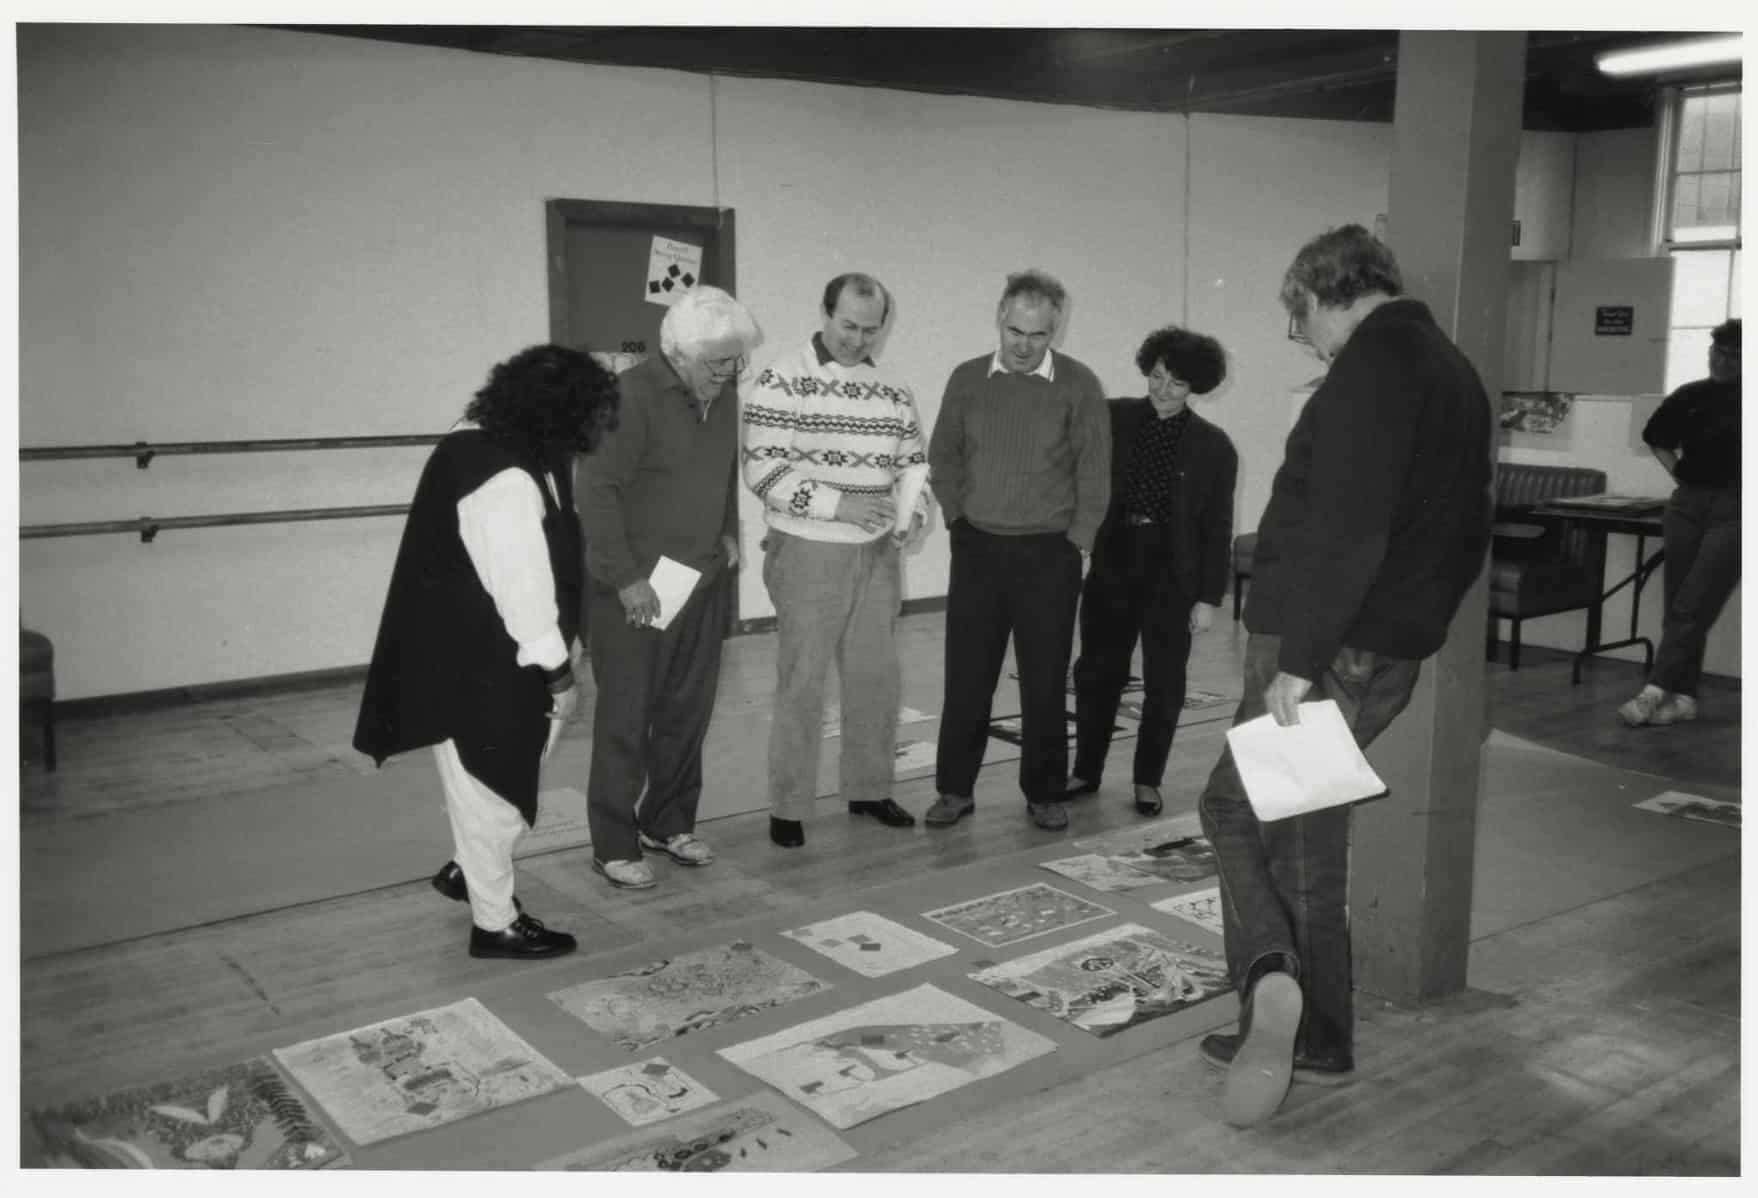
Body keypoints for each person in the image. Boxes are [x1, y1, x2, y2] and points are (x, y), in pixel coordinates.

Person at [1193, 225, 1491, 1127]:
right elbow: (1465, 529)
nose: (1304, 341)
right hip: (1390, 641)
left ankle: (1272, 979)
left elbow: (1344, 527)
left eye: (1299, 322)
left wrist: (1301, 660)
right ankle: (1318, 1035)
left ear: (1320, 296)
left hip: (1331, 646)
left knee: (1230, 811)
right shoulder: (1450, 366)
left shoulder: (1372, 366)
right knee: (1304, 836)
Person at [353, 344, 620, 959]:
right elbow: (521, 589)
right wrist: (559, 675)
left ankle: (467, 869)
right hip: (479, 661)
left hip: (484, 649)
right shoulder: (499, 474)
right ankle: (493, 921)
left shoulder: (495, 437)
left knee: (506, 771)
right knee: (493, 788)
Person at [577, 285, 763, 890]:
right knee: (627, 715)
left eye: (737, 360)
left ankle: (668, 820)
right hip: (634, 590)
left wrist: (729, 531)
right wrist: (627, 579)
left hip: (700, 581)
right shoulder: (629, 398)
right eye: (719, 362)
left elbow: (724, 473)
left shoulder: (722, 396)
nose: (731, 372)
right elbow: (596, 491)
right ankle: (612, 842)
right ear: (677, 355)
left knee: (688, 709)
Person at [741, 273, 931, 849]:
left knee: (875, 680)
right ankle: (789, 805)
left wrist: (913, 513)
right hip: (807, 551)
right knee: (803, 682)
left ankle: (869, 789)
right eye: (848, 326)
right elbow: (764, 471)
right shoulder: (782, 377)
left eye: (871, 330)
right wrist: (840, 505)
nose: (858, 340)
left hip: (875, 555)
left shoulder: (893, 388)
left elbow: (912, 465)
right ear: (825, 313)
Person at [927, 269, 1111, 832]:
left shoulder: (1079, 384)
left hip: (1048, 555)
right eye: (1014, 331)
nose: (1023, 346)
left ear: (1055, 330)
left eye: (1037, 335)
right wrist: (959, 522)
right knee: (967, 676)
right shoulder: (966, 379)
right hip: (979, 548)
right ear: (999, 319)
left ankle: (1045, 791)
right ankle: (954, 790)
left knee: (1045, 679)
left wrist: (1076, 543)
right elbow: (945, 456)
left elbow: (1095, 472)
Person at [1067, 326, 1236, 817]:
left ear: (1196, 388)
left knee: (1165, 684)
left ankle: (1147, 780)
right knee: (1097, 673)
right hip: (1114, 562)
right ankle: (1085, 771)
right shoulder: (1113, 417)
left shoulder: (1214, 447)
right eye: (1158, 376)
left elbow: (1216, 526)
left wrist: (1208, 598)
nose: (1163, 389)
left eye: (1177, 384)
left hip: (1172, 576)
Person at [1618, 317, 1741, 729]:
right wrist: (1682, 477)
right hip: (1687, 505)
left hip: (1735, 510)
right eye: (1716, 352)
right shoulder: (1691, 395)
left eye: (1733, 356)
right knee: (1678, 607)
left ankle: (1653, 690)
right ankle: (1685, 697)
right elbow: (1656, 436)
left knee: (1692, 605)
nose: (1721, 361)